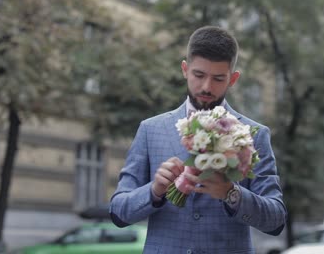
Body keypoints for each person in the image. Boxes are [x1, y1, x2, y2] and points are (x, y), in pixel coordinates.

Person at [109, 26, 287, 253]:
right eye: (199, 75)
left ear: (233, 79)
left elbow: (276, 220)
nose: (206, 87)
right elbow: (118, 212)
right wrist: (154, 190)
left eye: (218, 78)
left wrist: (231, 193)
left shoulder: (254, 134)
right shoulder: (150, 129)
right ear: (185, 69)